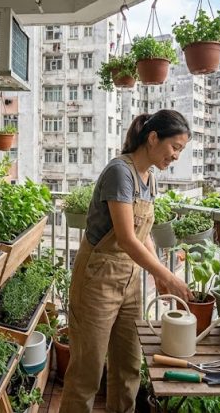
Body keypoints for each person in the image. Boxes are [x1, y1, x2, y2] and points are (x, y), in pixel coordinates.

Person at [59, 110, 194, 413]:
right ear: (153, 138)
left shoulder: (150, 179)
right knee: (87, 372)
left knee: (128, 368)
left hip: (130, 281)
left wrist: (160, 273)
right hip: (98, 278)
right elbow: (125, 238)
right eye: (175, 147)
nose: (176, 156)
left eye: (181, 150)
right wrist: (170, 277)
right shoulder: (121, 171)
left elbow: (143, 233)